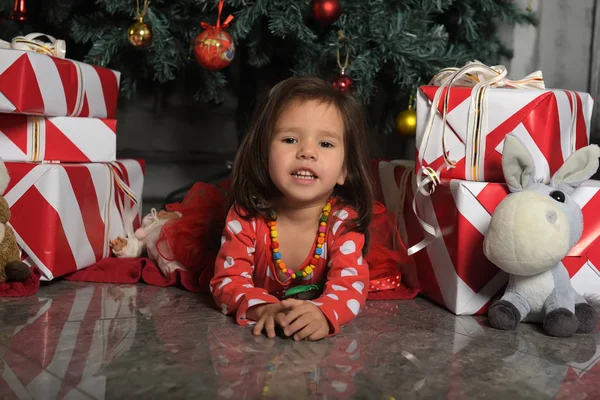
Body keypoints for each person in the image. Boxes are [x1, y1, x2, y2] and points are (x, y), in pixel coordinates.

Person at [210, 76, 377, 341]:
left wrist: (323, 312)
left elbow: (349, 286)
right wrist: (262, 307)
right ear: (264, 156)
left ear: (345, 170)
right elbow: (227, 281)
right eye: (289, 139)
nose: (307, 152)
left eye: (325, 144)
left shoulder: (342, 222)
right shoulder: (246, 216)